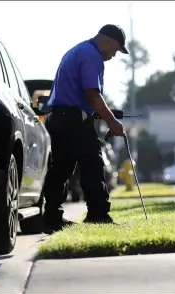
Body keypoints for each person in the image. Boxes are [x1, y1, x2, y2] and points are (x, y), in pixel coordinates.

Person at [42, 24, 128, 234]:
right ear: (107, 40)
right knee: (93, 163)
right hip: (73, 120)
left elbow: (81, 96)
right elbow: (92, 94)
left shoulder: (78, 50)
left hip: (59, 117)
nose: (114, 55)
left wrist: (97, 112)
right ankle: (98, 216)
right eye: (116, 49)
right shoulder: (92, 55)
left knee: (61, 168)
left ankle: (51, 218)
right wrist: (112, 121)